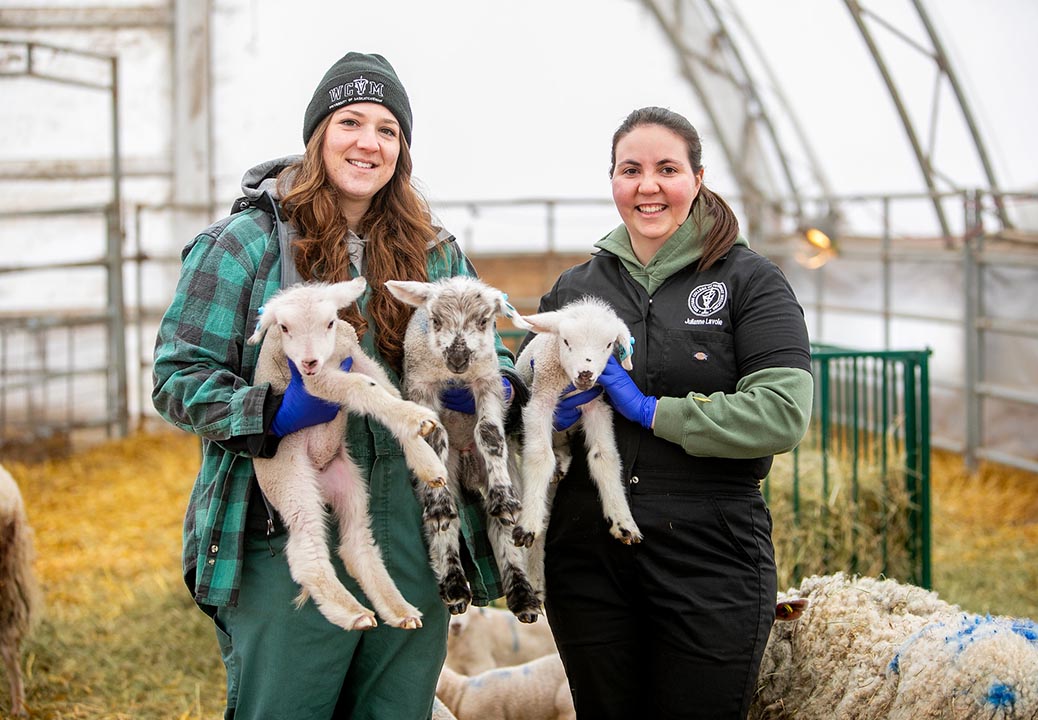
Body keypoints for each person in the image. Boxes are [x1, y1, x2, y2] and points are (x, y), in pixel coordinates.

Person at [152, 52, 525, 720]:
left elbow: (494, 353)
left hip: (411, 529)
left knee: (398, 711)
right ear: (318, 134)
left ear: (401, 150)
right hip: (286, 527)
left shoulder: (432, 251)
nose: (369, 142)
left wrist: (486, 392)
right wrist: (267, 410)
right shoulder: (246, 244)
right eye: (351, 120)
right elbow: (177, 376)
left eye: (388, 129)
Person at [528, 106, 814, 720]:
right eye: (630, 170)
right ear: (612, 181)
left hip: (710, 553)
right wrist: (526, 405)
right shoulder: (577, 288)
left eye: (667, 169)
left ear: (699, 178)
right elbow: (525, 381)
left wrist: (654, 411)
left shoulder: (749, 281)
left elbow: (783, 412)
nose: (647, 185)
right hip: (588, 554)